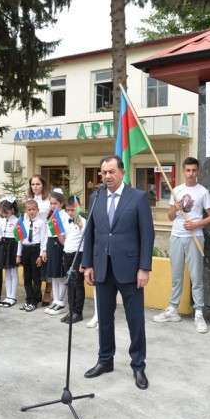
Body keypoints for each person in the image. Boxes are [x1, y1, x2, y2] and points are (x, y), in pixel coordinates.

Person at [82, 154, 155, 390]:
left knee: (135, 320)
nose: (107, 176)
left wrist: (144, 267)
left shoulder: (138, 197)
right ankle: (105, 360)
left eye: (111, 171)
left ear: (122, 172)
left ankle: (138, 366)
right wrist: (87, 265)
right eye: (103, 172)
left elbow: (147, 234)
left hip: (131, 269)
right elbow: (90, 235)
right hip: (102, 267)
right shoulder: (96, 197)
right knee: (104, 318)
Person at [153, 157, 210, 334]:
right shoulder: (176, 190)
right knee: (176, 275)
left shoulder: (203, 192)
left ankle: (198, 312)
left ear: (198, 172)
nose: (190, 173)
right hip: (176, 236)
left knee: (196, 276)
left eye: (194, 170)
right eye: (188, 170)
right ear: (183, 171)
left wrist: (196, 225)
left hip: (194, 236)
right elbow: (171, 217)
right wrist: (175, 207)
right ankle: (173, 309)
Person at [26, 175, 52, 306]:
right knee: (36, 268)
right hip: (34, 237)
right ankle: (37, 293)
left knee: (47, 264)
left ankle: (48, 291)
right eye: (33, 184)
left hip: (48, 234)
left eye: (38, 184)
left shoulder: (49, 200)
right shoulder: (29, 199)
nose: (35, 187)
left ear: (43, 185)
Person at [44, 190, 70, 316]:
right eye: (51, 203)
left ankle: (62, 302)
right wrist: (44, 249)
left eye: (55, 203)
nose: (53, 206)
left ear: (62, 203)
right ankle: (55, 300)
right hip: (51, 244)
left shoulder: (64, 216)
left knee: (61, 275)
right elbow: (46, 234)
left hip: (60, 244)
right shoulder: (51, 216)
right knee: (54, 275)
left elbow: (64, 233)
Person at [17, 199, 46, 312]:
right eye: (29, 209)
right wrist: (18, 254)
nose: (31, 211)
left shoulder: (41, 223)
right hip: (25, 250)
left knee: (36, 277)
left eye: (34, 209)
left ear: (37, 210)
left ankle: (34, 300)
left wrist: (40, 255)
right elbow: (19, 240)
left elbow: (43, 240)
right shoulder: (22, 224)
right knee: (27, 277)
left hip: (35, 250)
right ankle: (29, 299)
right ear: (25, 210)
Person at [60, 195, 86, 324]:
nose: (70, 212)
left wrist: (84, 262)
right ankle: (71, 310)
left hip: (79, 254)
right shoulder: (65, 222)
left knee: (77, 284)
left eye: (73, 210)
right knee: (69, 283)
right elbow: (64, 240)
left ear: (79, 207)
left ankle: (78, 312)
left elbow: (87, 241)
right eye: (68, 210)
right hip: (67, 254)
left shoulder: (84, 221)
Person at [0, 197, 20, 308]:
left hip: (13, 246)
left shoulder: (18, 221)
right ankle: (8, 295)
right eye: (3, 212)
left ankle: (13, 296)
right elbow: (0, 236)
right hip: (4, 246)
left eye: (7, 211)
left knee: (13, 272)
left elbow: (20, 239)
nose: (4, 214)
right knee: (7, 273)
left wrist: (18, 254)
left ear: (13, 210)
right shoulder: (2, 221)